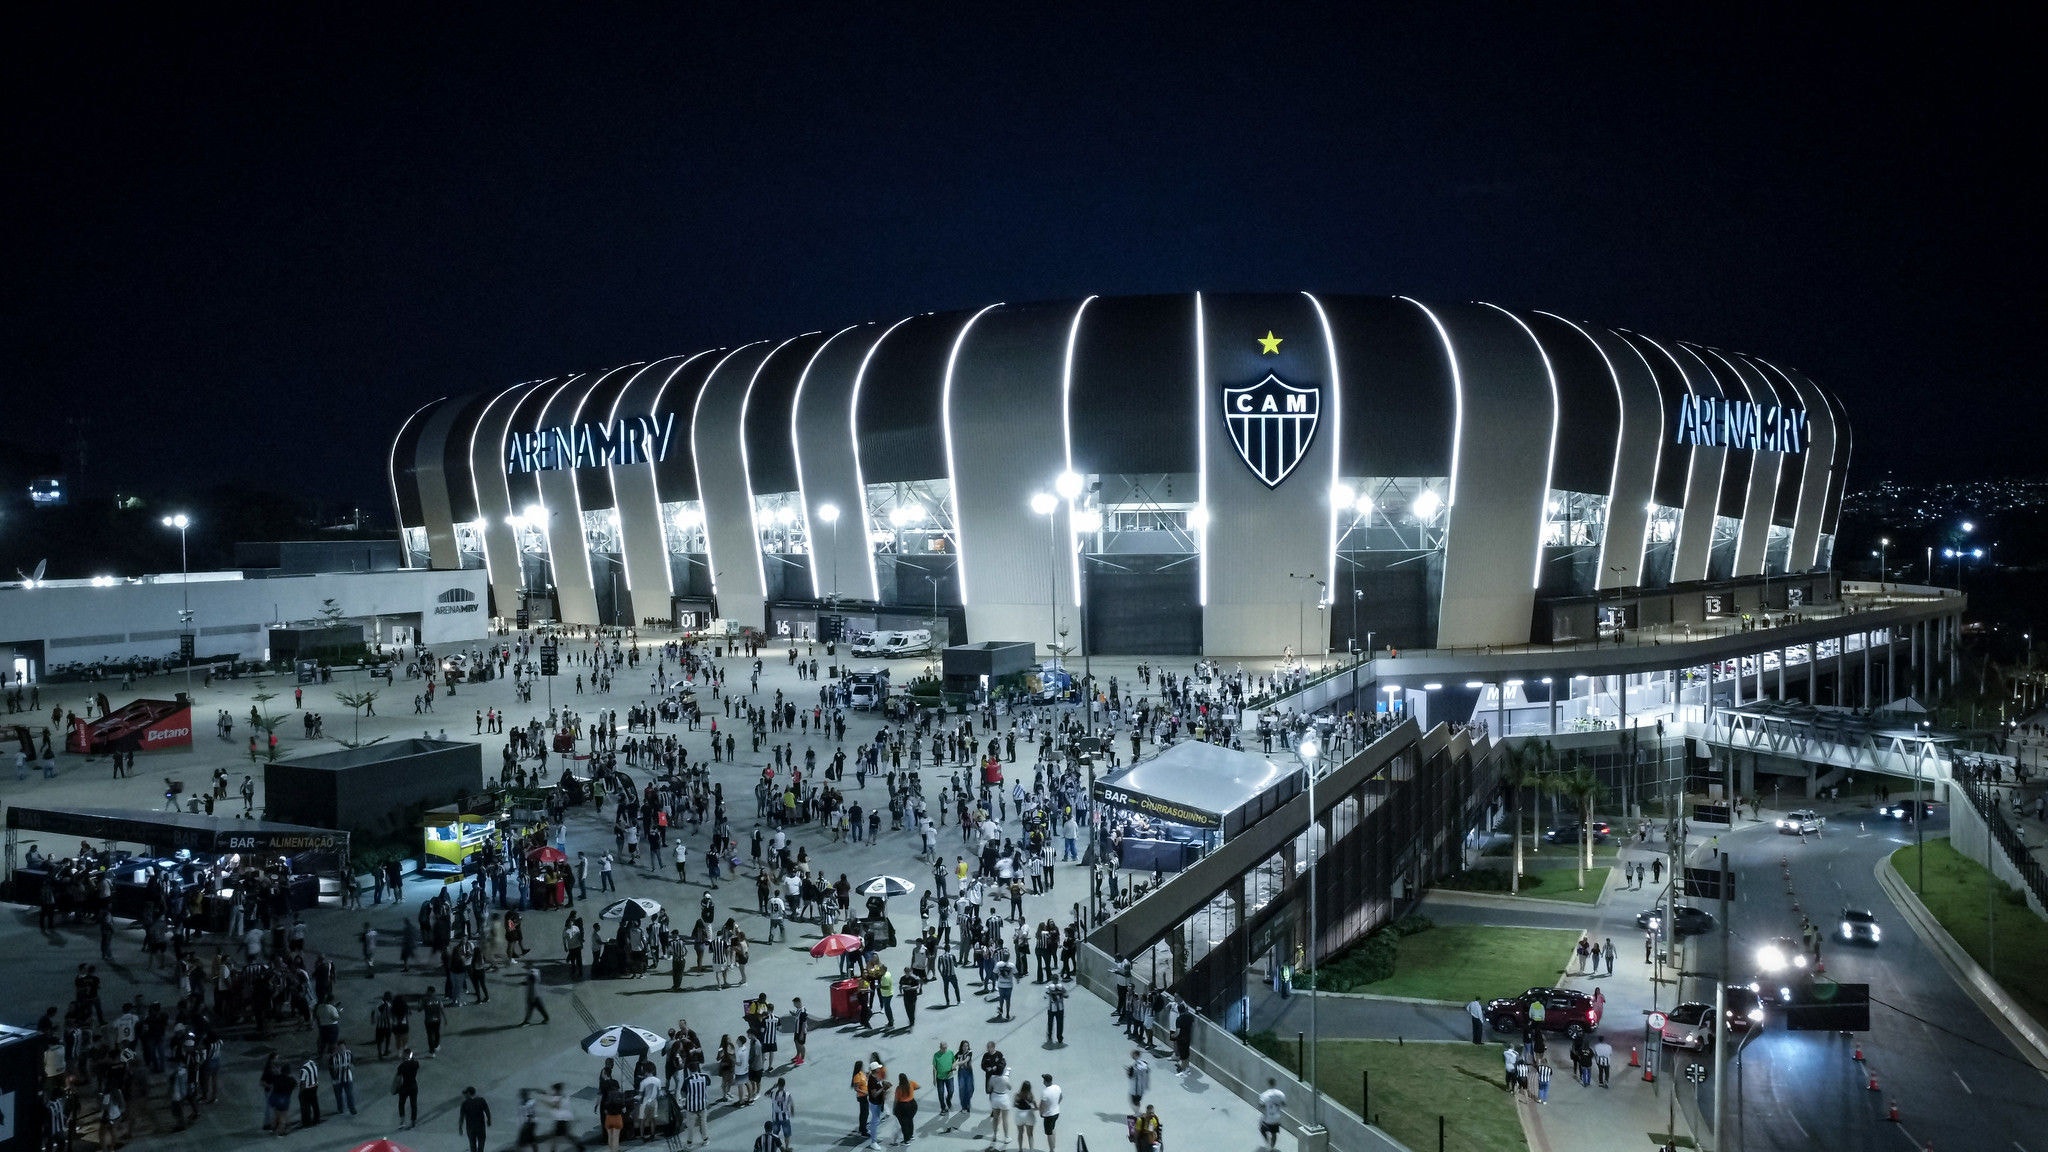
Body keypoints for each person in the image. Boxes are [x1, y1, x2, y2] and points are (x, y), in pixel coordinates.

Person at [460, 1085, 494, 1152]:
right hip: (480, 1127)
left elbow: (462, 1117)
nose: (465, 1096)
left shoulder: (465, 1103)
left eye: (466, 1094)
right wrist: (489, 1120)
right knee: (481, 1144)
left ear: (469, 1093)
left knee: (473, 1146)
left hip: (470, 1128)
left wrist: (460, 1127)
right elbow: (487, 1111)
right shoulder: (481, 1100)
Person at [395, 1048, 422, 1128]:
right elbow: (416, 1063)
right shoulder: (415, 1064)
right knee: (413, 1104)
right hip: (413, 1086)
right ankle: (413, 1121)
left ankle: (402, 1121)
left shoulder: (401, 1066)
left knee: (401, 1103)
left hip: (404, 1087)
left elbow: (398, 1078)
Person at [892, 1071, 920, 1144]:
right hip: (912, 1105)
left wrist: (894, 1109)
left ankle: (906, 1140)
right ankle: (911, 1136)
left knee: (904, 1123)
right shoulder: (911, 1083)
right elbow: (918, 1087)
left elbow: (896, 1100)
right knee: (910, 1120)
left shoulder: (899, 1088)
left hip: (902, 1106)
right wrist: (912, 1090)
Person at [1258, 1078, 1286, 1148]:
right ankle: (1272, 1147)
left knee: (1262, 1129)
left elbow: (1261, 1105)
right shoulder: (1280, 1094)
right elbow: (1284, 1104)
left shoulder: (1264, 1094)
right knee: (1274, 1133)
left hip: (1267, 1118)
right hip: (1276, 1118)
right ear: (1275, 1084)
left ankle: (1267, 1142)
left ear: (1268, 1084)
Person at [1038, 1074, 1063, 1151]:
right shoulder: (1057, 1087)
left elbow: (1041, 1105)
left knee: (1049, 1134)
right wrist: (1056, 1105)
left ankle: (1052, 1150)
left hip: (1049, 1115)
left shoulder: (1045, 1092)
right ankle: (1053, 1146)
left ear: (1045, 1081)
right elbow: (1061, 1097)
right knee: (1053, 1128)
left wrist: (1041, 1113)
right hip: (1056, 1113)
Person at [1013, 1078, 1038, 1149]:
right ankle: (1031, 1149)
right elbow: (1036, 1107)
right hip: (1029, 1115)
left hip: (1019, 1115)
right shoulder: (1030, 1095)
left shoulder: (1017, 1095)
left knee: (1020, 1133)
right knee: (1030, 1134)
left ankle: (1020, 1149)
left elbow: (1014, 1105)